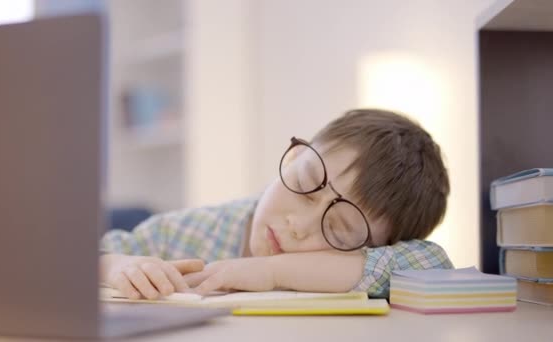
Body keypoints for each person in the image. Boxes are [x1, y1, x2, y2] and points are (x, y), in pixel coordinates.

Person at [100, 108, 454, 300]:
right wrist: (118, 266)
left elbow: (432, 264)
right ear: (294, 158)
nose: (298, 226)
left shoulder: (364, 270)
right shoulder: (192, 232)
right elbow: (79, 263)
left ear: (373, 250)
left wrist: (272, 272)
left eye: (338, 230)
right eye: (303, 185)